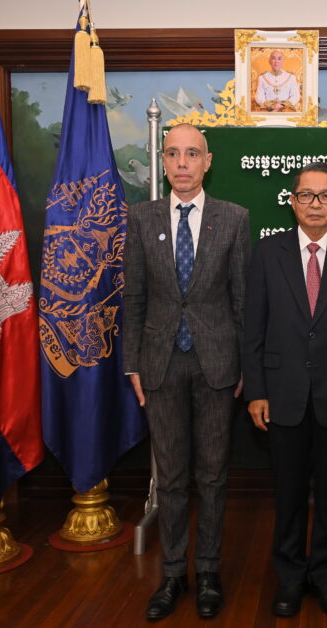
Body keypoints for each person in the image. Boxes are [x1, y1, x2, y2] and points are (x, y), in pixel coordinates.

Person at [122, 123, 250, 621]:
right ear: (163, 160)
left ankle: (209, 571)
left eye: (192, 153)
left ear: (207, 161)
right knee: (171, 477)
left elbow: (241, 299)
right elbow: (134, 296)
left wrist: (244, 364)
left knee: (213, 475)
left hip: (217, 364)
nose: (182, 163)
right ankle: (174, 573)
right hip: (159, 364)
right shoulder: (141, 218)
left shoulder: (233, 218)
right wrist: (132, 363)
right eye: (173, 153)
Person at [243, 162, 327, 618]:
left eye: (325, 196)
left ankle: (325, 575)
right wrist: (256, 390)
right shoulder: (267, 252)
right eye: (306, 195)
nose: (315, 204)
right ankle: (289, 577)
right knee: (287, 494)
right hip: (281, 393)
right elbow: (253, 329)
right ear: (292, 201)